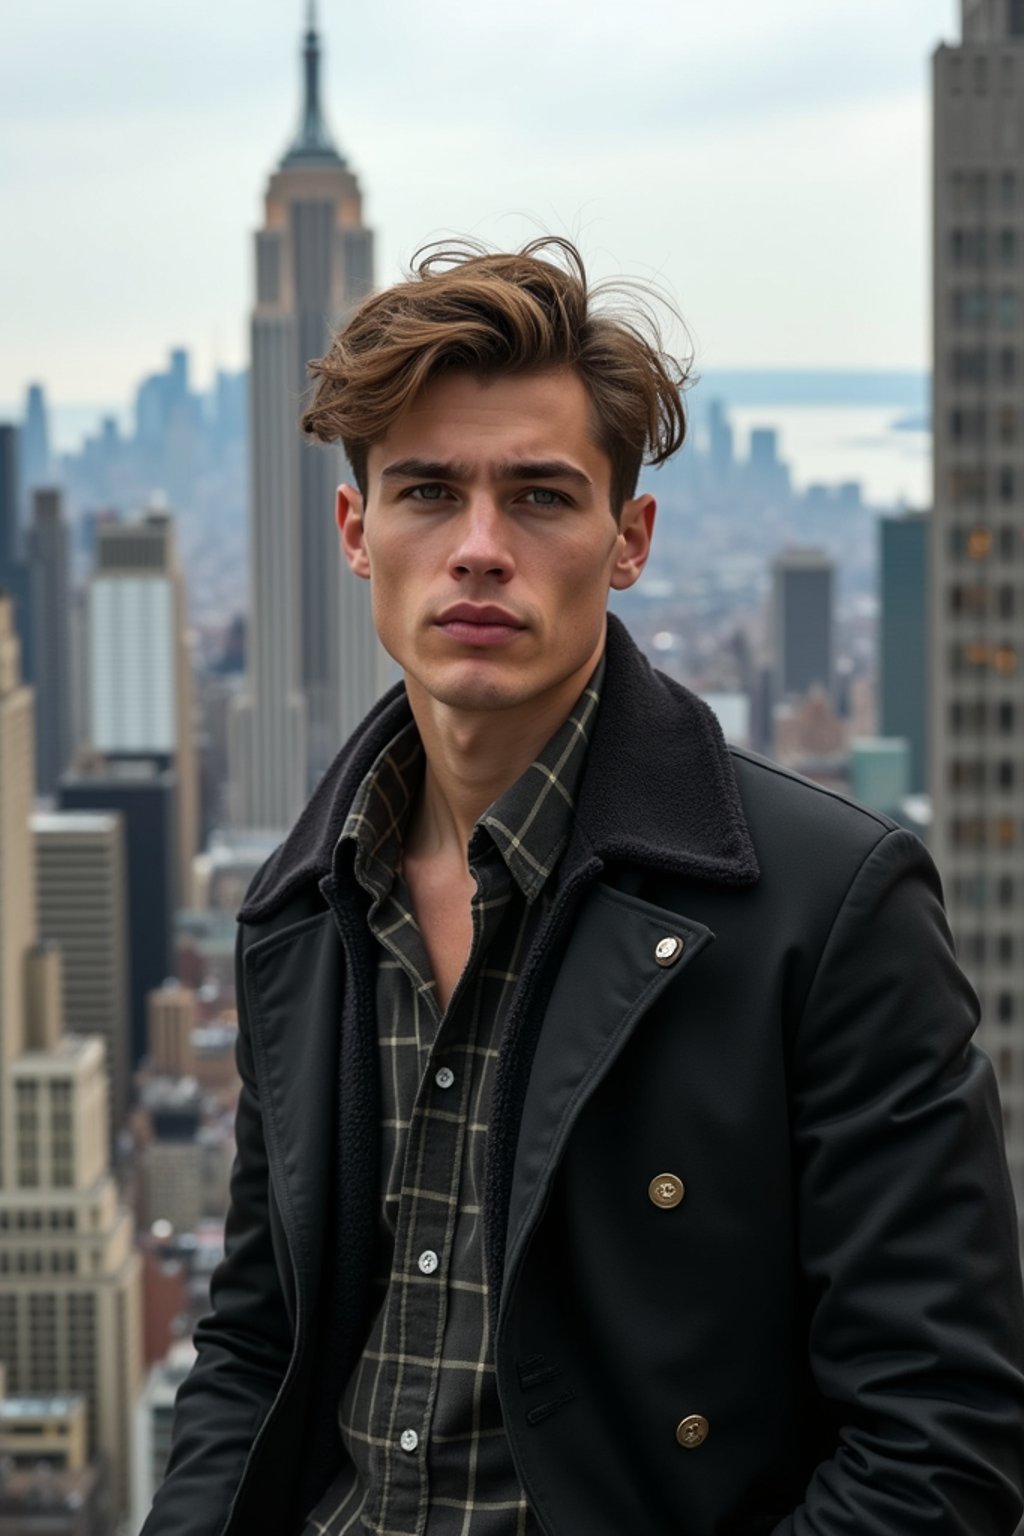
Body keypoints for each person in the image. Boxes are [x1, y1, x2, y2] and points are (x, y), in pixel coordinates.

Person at [141, 238, 1024, 1536]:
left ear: (630, 540)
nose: (480, 548)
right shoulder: (301, 908)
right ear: (355, 531)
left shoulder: (829, 911)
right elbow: (257, 1348)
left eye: (542, 497)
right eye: (428, 492)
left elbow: (939, 1445)